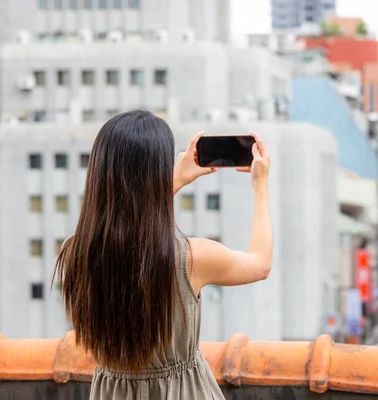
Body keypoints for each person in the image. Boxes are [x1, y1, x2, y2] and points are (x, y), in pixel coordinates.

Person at [52, 110, 272, 400]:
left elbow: (129, 232)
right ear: (157, 172)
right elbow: (260, 263)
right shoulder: (191, 258)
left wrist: (173, 183)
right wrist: (260, 184)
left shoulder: (75, 252)